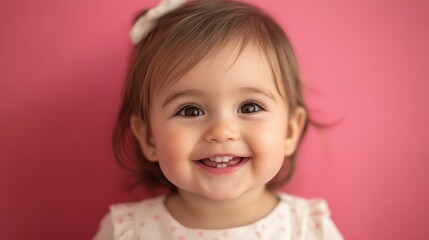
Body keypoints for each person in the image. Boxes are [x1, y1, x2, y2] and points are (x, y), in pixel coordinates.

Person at [93, 0, 343, 239]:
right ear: (149, 138)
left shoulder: (309, 229)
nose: (221, 131)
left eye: (250, 106)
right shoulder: (129, 231)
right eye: (190, 111)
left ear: (289, 131)